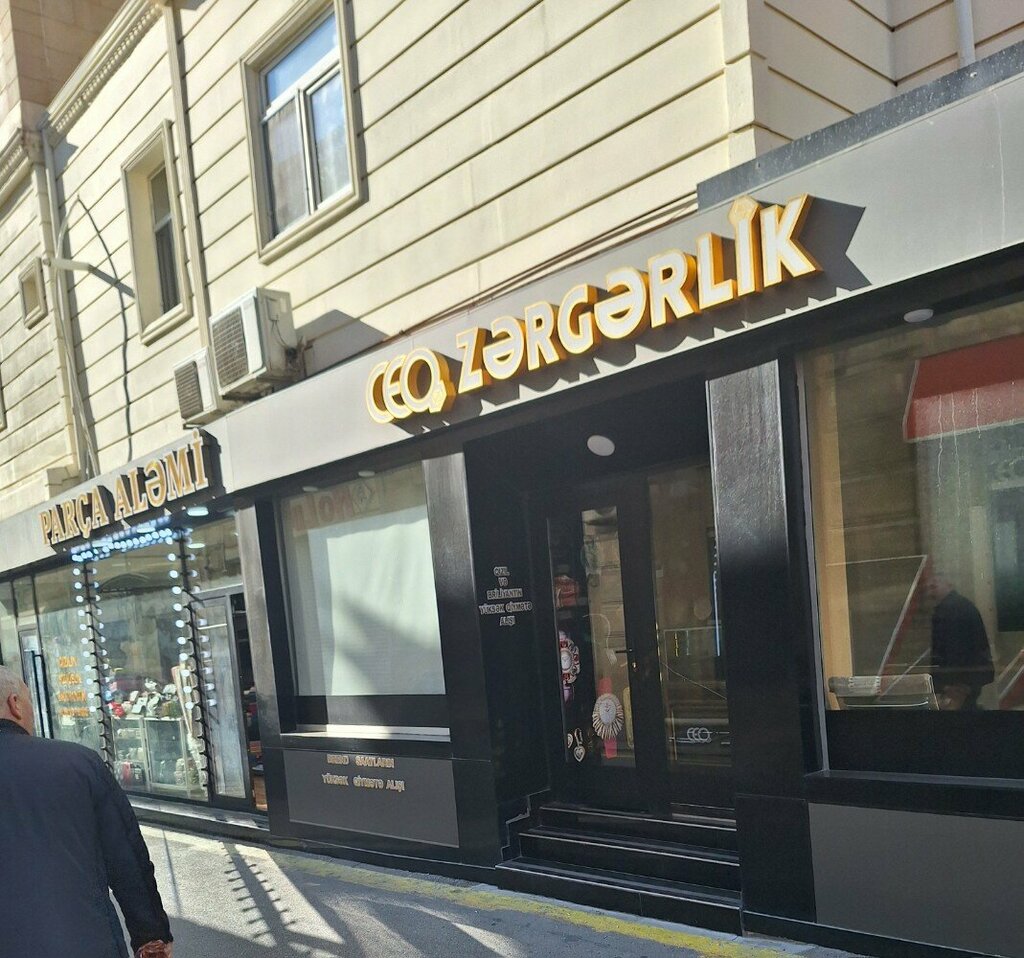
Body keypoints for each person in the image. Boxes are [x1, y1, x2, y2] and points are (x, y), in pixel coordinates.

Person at [0, 665, 173, 958]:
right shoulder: (78, 764)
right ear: (15, 704)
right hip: (85, 942)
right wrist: (151, 936)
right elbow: (127, 860)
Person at [925, 574, 995, 710]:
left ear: (949, 584)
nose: (930, 588)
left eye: (935, 584)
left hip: (958, 682)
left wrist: (949, 684)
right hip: (967, 678)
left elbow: (954, 648)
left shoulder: (950, 610)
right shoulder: (959, 605)